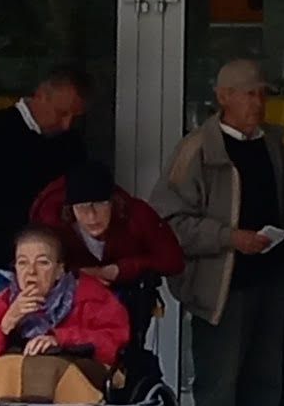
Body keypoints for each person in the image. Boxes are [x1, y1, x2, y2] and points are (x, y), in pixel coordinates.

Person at [160, 58, 284, 406]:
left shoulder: (273, 145)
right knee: (217, 388)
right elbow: (171, 222)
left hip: (269, 282)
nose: (257, 102)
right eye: (248, 93)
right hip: (220, 290)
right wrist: (230, 238)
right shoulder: (197, 150)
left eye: (262, 93)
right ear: (223, 97)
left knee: (264, 383)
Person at [0, 67, 90, 390]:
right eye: (61, 113)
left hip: (50, 276)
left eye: (74, 116)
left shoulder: (71, 145)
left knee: (46, 370)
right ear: (40, 96)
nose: (66, 124)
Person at [32, 159, 182, 386]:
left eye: (100, 204)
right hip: (71, 303)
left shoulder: (136, 214)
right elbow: (35, 263)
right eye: (82, 207)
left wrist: (121, 269)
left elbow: (173, 260)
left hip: (127, 299)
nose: (92, 216)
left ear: (113, 201)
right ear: (69, 208)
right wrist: (80, 273)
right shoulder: (51, 221)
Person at [0, 221, 133, 378]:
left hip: (71, 382)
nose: (31, 271)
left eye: (43, 263)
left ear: (59, 270)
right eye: (22, 263)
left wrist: (60, 339)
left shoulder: (91, 297)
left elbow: (115, 344)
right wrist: (7, 322)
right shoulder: (3, 302)